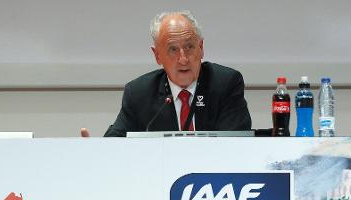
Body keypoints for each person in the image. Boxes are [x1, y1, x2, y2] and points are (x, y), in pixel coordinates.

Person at [96, 11, 251, 137]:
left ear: (201, 47)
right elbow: (116, 141)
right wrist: (91, 148)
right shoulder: (139, 93)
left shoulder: (225, 84)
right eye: (173, 49)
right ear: (157, 55)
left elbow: (233, 145)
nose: (183, 59)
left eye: (189, 46)